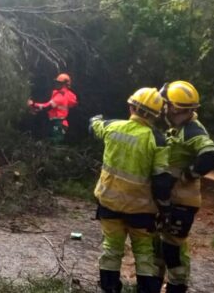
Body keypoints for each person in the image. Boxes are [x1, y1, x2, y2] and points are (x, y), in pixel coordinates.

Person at [89, 87, 174, 293]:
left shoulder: (112, 127)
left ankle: (109, 289)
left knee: (111, 250)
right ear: (156, 115)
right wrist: (165, 210)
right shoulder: (158, 140)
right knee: (144, 253)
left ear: (131, 106)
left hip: (109, 204)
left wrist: (95, 118)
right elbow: (161, 181)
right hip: (141, 211)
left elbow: (94, 125)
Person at [158, 81, 214, 293]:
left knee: (173, 248)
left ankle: (177, 287)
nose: (164, 107)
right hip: (174, 200)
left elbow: (211, 154)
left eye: (166, 103)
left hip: (182, 202)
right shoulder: (180, 128)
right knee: (163, 246)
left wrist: (189, 173)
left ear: (175, 107)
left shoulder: (192, 131)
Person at [28, 73, 78, 143]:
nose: (56, 84)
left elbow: (47, 107)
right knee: (54, 140)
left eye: (59, 83)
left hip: (58, 123)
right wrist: (36, 109)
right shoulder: (66, 95)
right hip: (58, 122)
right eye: (57, 82)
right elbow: (52, 108)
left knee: (55, 141)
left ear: (64, 84)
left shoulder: (61, 96)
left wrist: (33, 104)